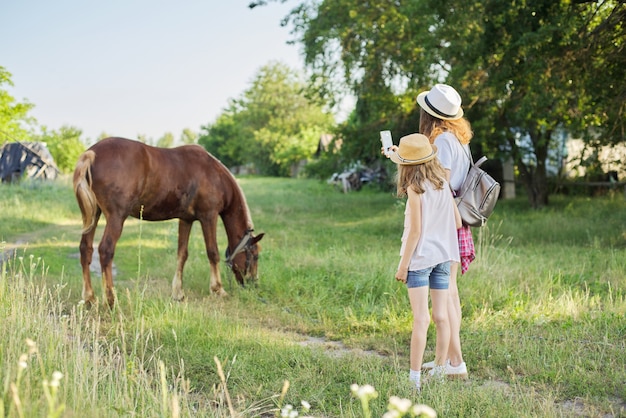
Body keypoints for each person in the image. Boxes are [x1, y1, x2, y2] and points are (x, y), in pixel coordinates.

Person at [389, 133, 462, 391]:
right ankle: (440, 370)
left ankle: (415, 380)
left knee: (421, 319)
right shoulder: (443, 181)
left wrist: (403, 266)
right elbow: (458, 222)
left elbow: (415, 232)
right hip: (443, 257)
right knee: (441, 317)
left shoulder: (414, 189)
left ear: (407, 165)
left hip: (420, 260)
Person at [416, 84, 475, 379]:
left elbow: (443, 187)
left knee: (446, 291)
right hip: (456, 221)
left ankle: (456, 364)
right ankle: (453, 361)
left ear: (429, 114)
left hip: (446, 222)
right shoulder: (460, 140)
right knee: (450, 292)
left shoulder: (442, 142)